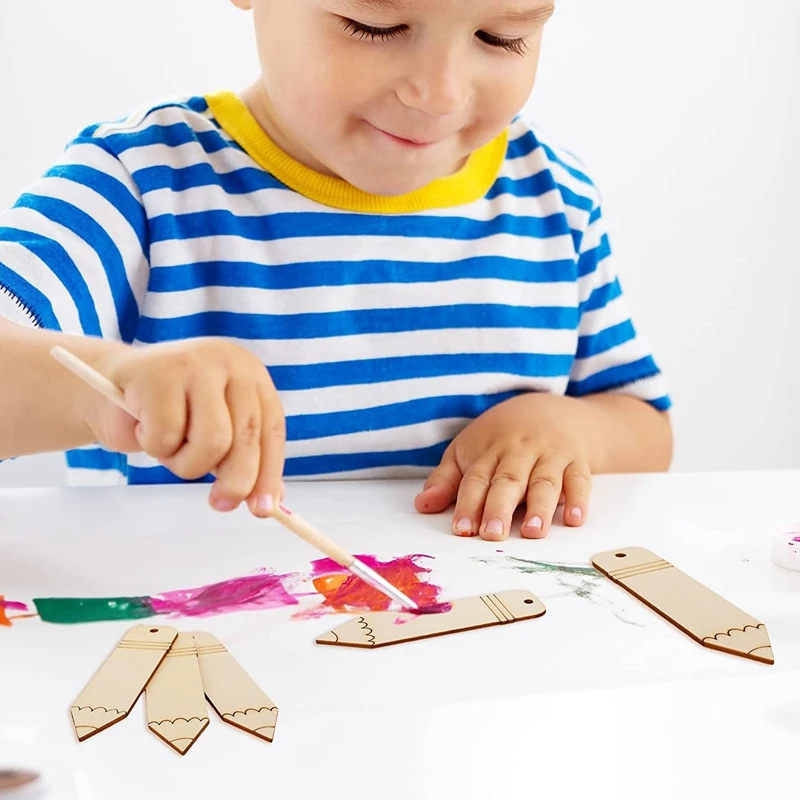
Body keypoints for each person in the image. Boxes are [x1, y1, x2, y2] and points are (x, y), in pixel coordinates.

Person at [0, 0, 672, 543]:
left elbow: (645, 424)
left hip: (458, 660)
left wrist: (567, 428)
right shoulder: (143, 182)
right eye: (375, 26)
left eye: (500, 36)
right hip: (201, 652)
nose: (438, 95)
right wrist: (107, 389)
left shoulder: (554, 197)